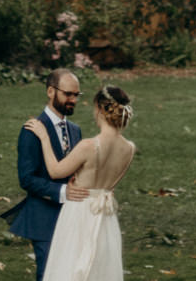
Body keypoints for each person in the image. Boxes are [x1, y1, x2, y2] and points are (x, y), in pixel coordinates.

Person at [20, 84, 135, 281]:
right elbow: (107, 184)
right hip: (105, 216)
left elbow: (55, 172)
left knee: (69, 264)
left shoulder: (89, 146)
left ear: (99, 109)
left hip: (80, 211)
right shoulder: (129, 148)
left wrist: (44, 137)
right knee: (100, 266)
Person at [1, 69, 82, 279]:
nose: (73, 99)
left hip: (72, 218)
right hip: (43, 218)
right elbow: (26, 179)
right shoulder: (31, 130)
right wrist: (62, 192)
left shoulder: (75, 130)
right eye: (68, 94)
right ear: (50, 91)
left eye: (76, 95)